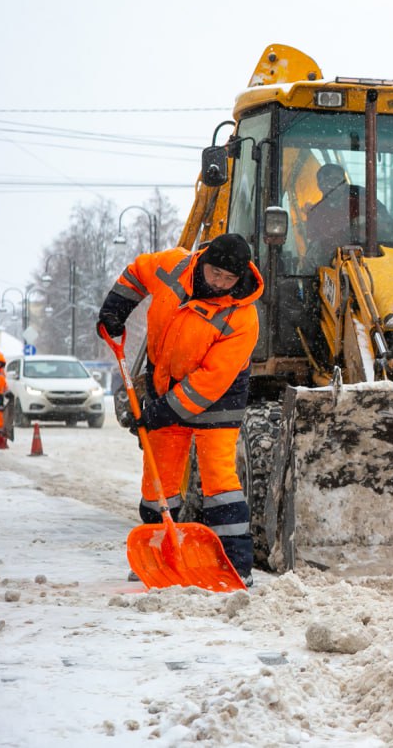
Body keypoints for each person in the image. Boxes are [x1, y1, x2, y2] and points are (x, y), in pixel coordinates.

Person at [96, 233, 263, 585]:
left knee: (219, 480)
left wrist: (161, 412)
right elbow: (137, 272)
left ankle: (236, 565)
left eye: (228, 278)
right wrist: (116, 308)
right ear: (204, 261)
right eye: (215, 273)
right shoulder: (174, 266)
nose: (219, 283)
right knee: (160, 477)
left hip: (218, 400)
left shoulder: (243, 317)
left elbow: (209, 382)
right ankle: (159, 554)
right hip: (164, 386)